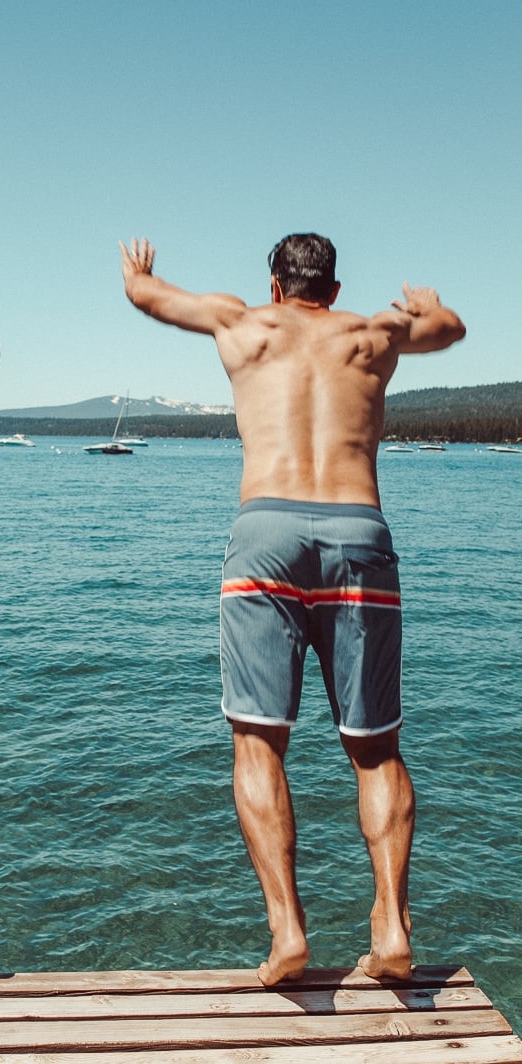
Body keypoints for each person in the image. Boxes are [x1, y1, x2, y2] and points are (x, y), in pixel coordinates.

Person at [121, 233, 465, 986]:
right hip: (358, 531)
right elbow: (449, 330)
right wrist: (432, 308)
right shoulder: (372, 332)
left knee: (258, 742)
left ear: (276, 285)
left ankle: (286, 931)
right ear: (333, 290)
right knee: (375, 749)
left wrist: (139, 275)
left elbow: (149, 299)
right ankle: (393, 927)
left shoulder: (244, 322)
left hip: (266, 536)